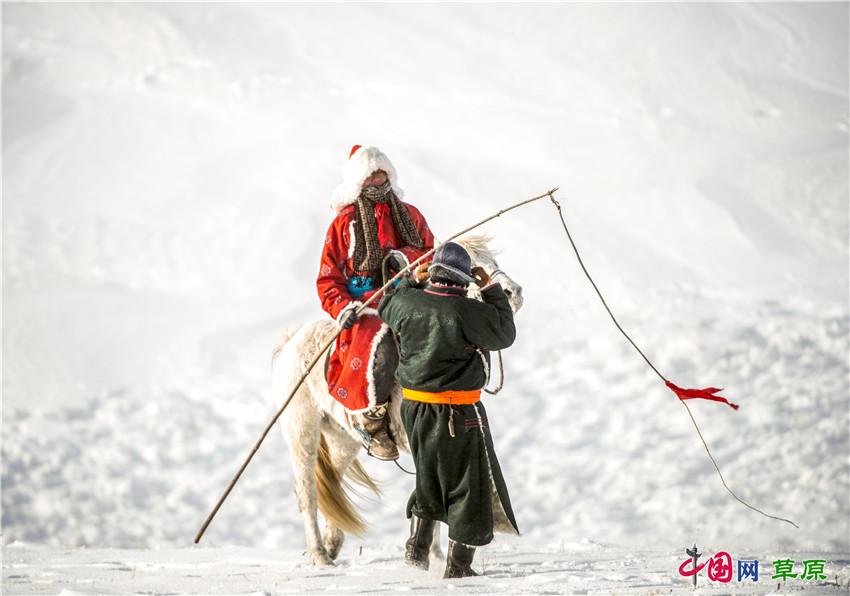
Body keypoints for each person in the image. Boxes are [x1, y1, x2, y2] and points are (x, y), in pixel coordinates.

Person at [377, 241, 519, 578]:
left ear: (434, 273)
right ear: (463, 279)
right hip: (457, 415)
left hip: (413, 410)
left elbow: (385, 305)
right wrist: (490, 287)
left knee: (430, 476)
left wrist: (411, 279)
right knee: (469, 487)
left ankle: (416, 550)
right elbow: (505, 332)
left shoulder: (406, 302)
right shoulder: (469, 313)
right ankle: (458, 568)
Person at [316, 145, 435, 461]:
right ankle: (371, 420)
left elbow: (429, 254)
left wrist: (409, 262)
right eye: (371, 180)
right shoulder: (343, 225)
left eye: (382, 178)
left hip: (410, 298)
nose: (378, 184)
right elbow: (328, 278)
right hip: (366, 308)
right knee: (381, 351)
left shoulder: (411, 216)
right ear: (358, 184)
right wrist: (342, 307)